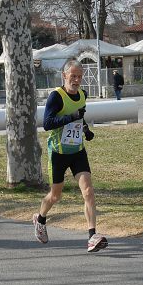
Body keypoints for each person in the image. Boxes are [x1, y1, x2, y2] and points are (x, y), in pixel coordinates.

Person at [33, 59, 108, 253]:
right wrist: (70, 118)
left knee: (88, 191)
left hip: (77, 151)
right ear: (64, 76)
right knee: (55, 195)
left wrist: (85, 130)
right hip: (58, 152)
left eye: (79, 76)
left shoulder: (83, 95)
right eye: (73, 76)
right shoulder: (55, 97)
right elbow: (47, 123)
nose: (76, 80)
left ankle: (92, 236)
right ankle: (40, 218)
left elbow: (79, 116)